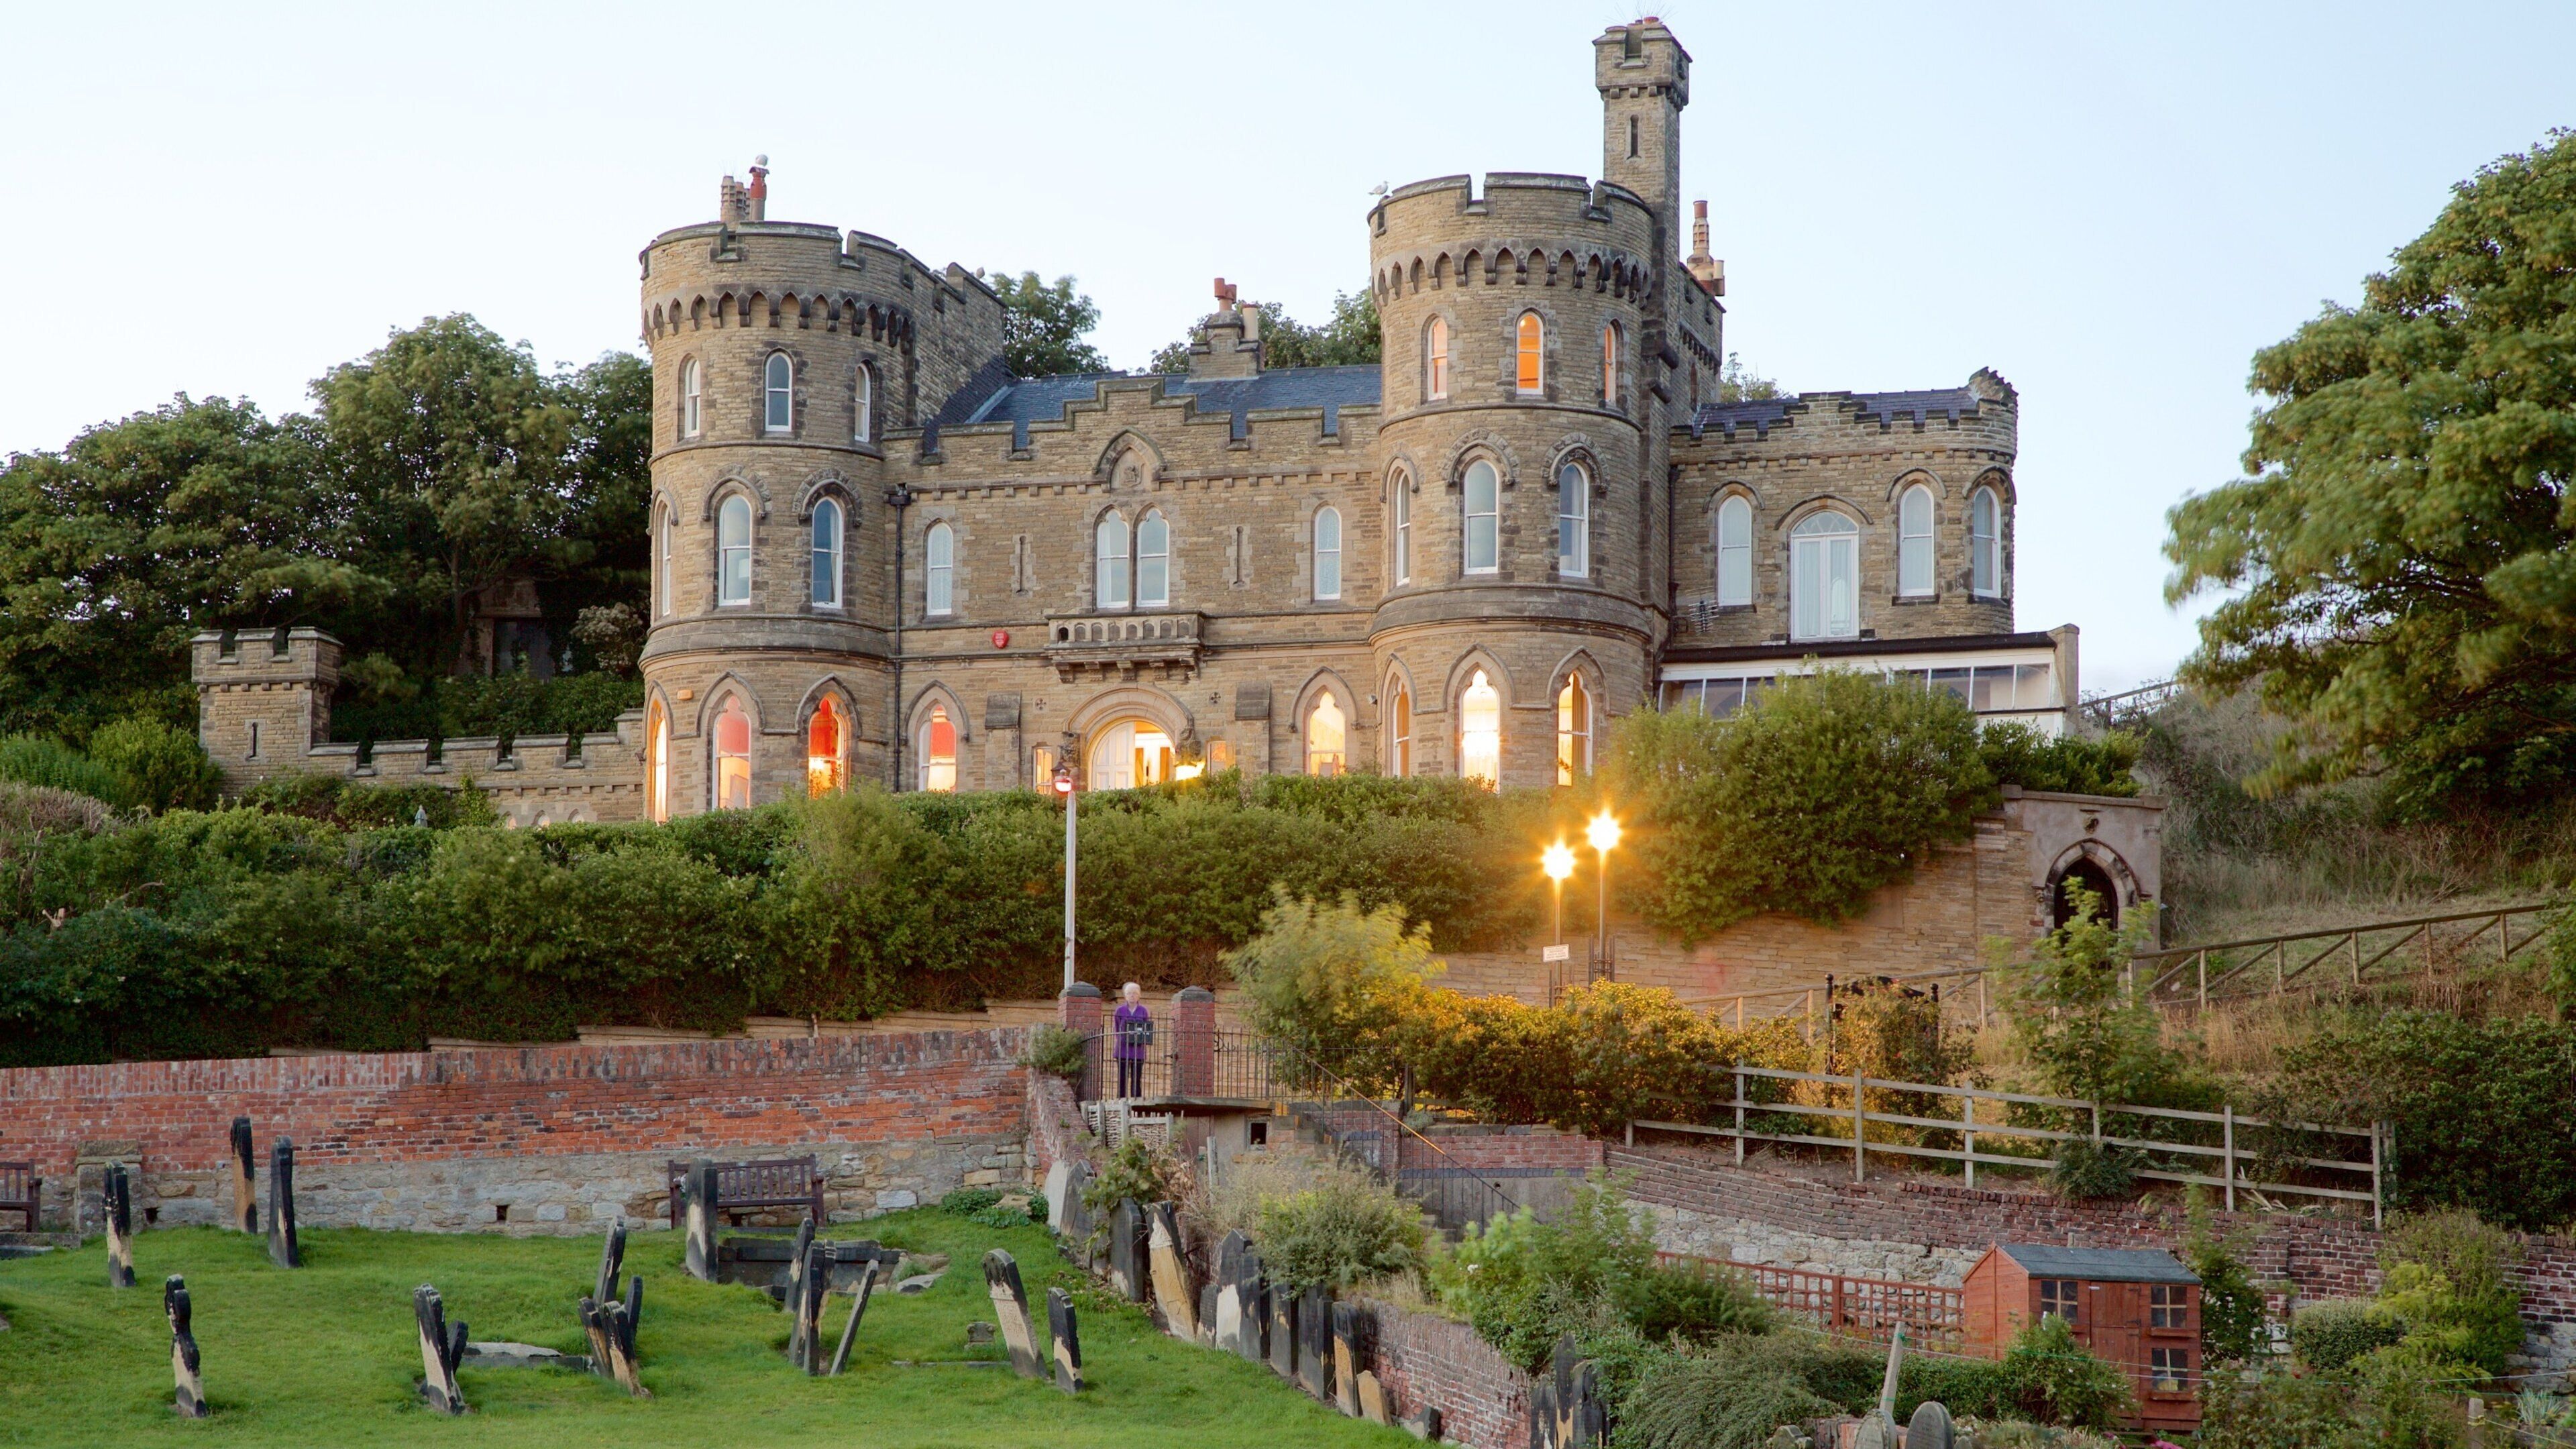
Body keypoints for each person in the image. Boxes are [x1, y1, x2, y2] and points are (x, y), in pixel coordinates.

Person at [1112, 982, 1152, 1098]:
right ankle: (1121, 1099)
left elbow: (1146, 1028)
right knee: (1122, 1077)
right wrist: (1123, 1038)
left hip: (1138, 1050)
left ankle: (1136, 1100)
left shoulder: (1143, 1011)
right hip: (1122, 1049)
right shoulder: (1120, 1011)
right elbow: (1117, 1028)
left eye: (1135, 993)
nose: (1132, 996)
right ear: (1125, 996)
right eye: (1129, 993)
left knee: (1137, 1078)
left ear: (1139, 995)